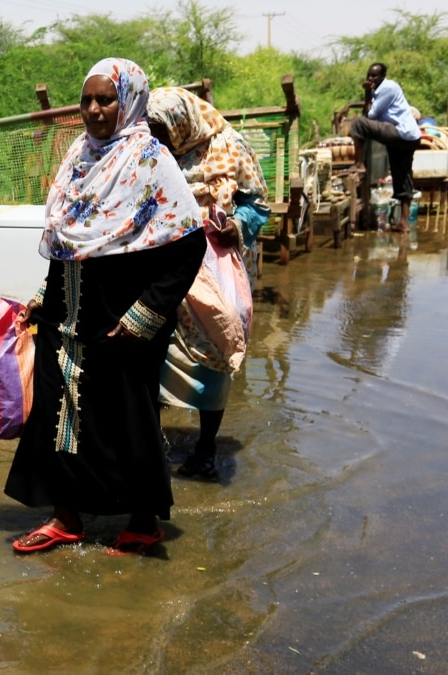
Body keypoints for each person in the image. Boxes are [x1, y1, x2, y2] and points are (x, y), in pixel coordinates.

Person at [3, 58, 207, 557]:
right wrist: (41, 299)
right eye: (87, 100)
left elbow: (188, 245)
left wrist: (145, 315)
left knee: (127, 415)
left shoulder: (150, 161)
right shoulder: (79, 156)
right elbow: (68, 242)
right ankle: (66, 515)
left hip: (125, 318)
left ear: (129, 101)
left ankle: (142, 520)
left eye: (105, 100)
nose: (93, 110)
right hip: (67, 311)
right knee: (59, 412)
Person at [146, 87, 265, 482]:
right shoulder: (152, 151)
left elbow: (257, 204)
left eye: (162, 130)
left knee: (212, 350)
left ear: (182, 124)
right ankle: (151, 443)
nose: (156, 139)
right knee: (153, 349)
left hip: (213, 269)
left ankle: (206, 447)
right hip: (164, 265)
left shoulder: (229, 146)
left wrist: (238, 226)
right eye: (151, 130)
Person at [348, 63, 422, 232]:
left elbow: (369, 114)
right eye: (369, 75)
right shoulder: (383, 90)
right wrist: (351, 106)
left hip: (401, 133)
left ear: (383, 76)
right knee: (402, 175)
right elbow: (372, 106)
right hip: (409, 137)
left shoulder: (388, 88)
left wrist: (366, 92)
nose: (370, 79)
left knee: (359, 124)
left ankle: (359, 163)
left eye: (374, 76)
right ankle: (404, 223)